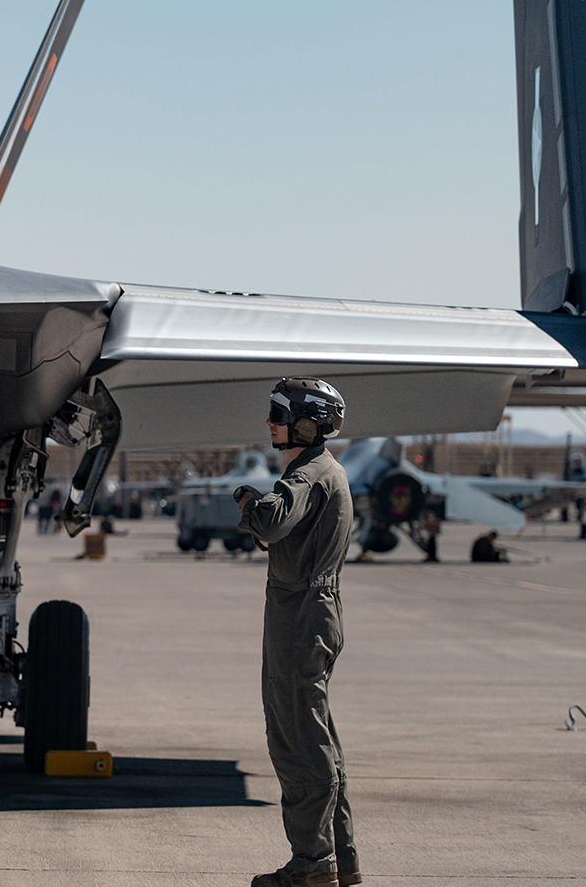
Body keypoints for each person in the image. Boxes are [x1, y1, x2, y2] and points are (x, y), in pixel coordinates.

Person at [233, 377, 359, 887]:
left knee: (296, 736)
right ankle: (339, 857)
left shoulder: (307, 475)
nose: (270, 422)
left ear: (308, 425)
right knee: (317, 731)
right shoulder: (325, 471)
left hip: (300, 614)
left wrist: (248, 500)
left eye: (279, 414)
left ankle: (312, 863)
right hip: (312, 608)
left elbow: (270, 522)